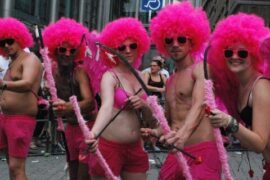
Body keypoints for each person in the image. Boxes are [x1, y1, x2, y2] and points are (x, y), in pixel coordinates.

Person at [143, 2, 222, 179]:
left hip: (201, 150)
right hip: (176, 151)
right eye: (169, 40)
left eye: (181, 39)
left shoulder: (201, 68)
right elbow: (171, 121)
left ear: (192, 40)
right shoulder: (170, 81)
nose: (175, 44)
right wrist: (155, 132)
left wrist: (182, 135)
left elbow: (201, 104)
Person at [86, 17, 152, 180]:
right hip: (110, 147)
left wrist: (144, 105)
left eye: (132, 46)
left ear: (140, 46)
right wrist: (93, 134)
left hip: (135, 148)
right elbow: (106, 107)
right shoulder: (110, 76)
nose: (128, 50)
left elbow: (150, 118)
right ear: (115, 50)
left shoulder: (142, 77)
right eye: (122, 47)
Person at [207, 13, 270, 179]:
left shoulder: (261, 86)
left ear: (254, 54)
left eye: (242, 53)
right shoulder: (238, 87)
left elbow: (258, 143)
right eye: (229, 52)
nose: (234, 57)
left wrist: (229, 122)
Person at [43, 18, 96, 180]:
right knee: (73, 175)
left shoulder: (79, 72)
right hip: (70, 129)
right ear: (54, 50)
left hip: (87, 127)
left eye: (72, 51)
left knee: (82, 177)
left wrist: (66, 106)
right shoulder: (50, 71)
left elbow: (89, 103)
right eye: (62, 50)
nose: (67, 54)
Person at [0, 17, 43, 180]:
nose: (6, 45)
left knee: (16, 167)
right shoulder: (13, 62)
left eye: (10, 41)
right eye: (2, 42)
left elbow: (27, 83)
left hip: (20, 120)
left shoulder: (30, 58)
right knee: (11, 165)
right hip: (7, 118)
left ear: (19, 38)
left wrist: (2, 85)